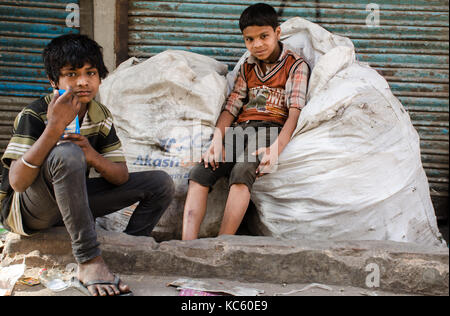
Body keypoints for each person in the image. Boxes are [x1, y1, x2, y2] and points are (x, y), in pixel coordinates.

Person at [0, 34, 175, 296]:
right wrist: (54, 128)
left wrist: (92, 155)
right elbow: (17, 182)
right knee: (68, 154)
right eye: (71, 74)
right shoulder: (34, 113)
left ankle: (126, 250)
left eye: (90, 72)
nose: (82, 81)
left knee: (160, 183)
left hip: (71, 202)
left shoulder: (99, 115)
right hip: (30, 210)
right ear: (53, 81)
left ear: (100, 76)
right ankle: (89, 260)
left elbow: (120, 176)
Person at [182, 3, 310, 240]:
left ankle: (222, 243)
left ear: (278, 33)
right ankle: (186, 245)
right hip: (240, 130)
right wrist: (217, 141)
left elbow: (295, 112)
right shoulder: (247, 67)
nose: (257, 44)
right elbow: (230, 109)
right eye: (250, 40)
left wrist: (277, 148)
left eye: (264, 36)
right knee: (200, 172)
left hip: (270, 130)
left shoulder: (295, 65)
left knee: (242, 171)